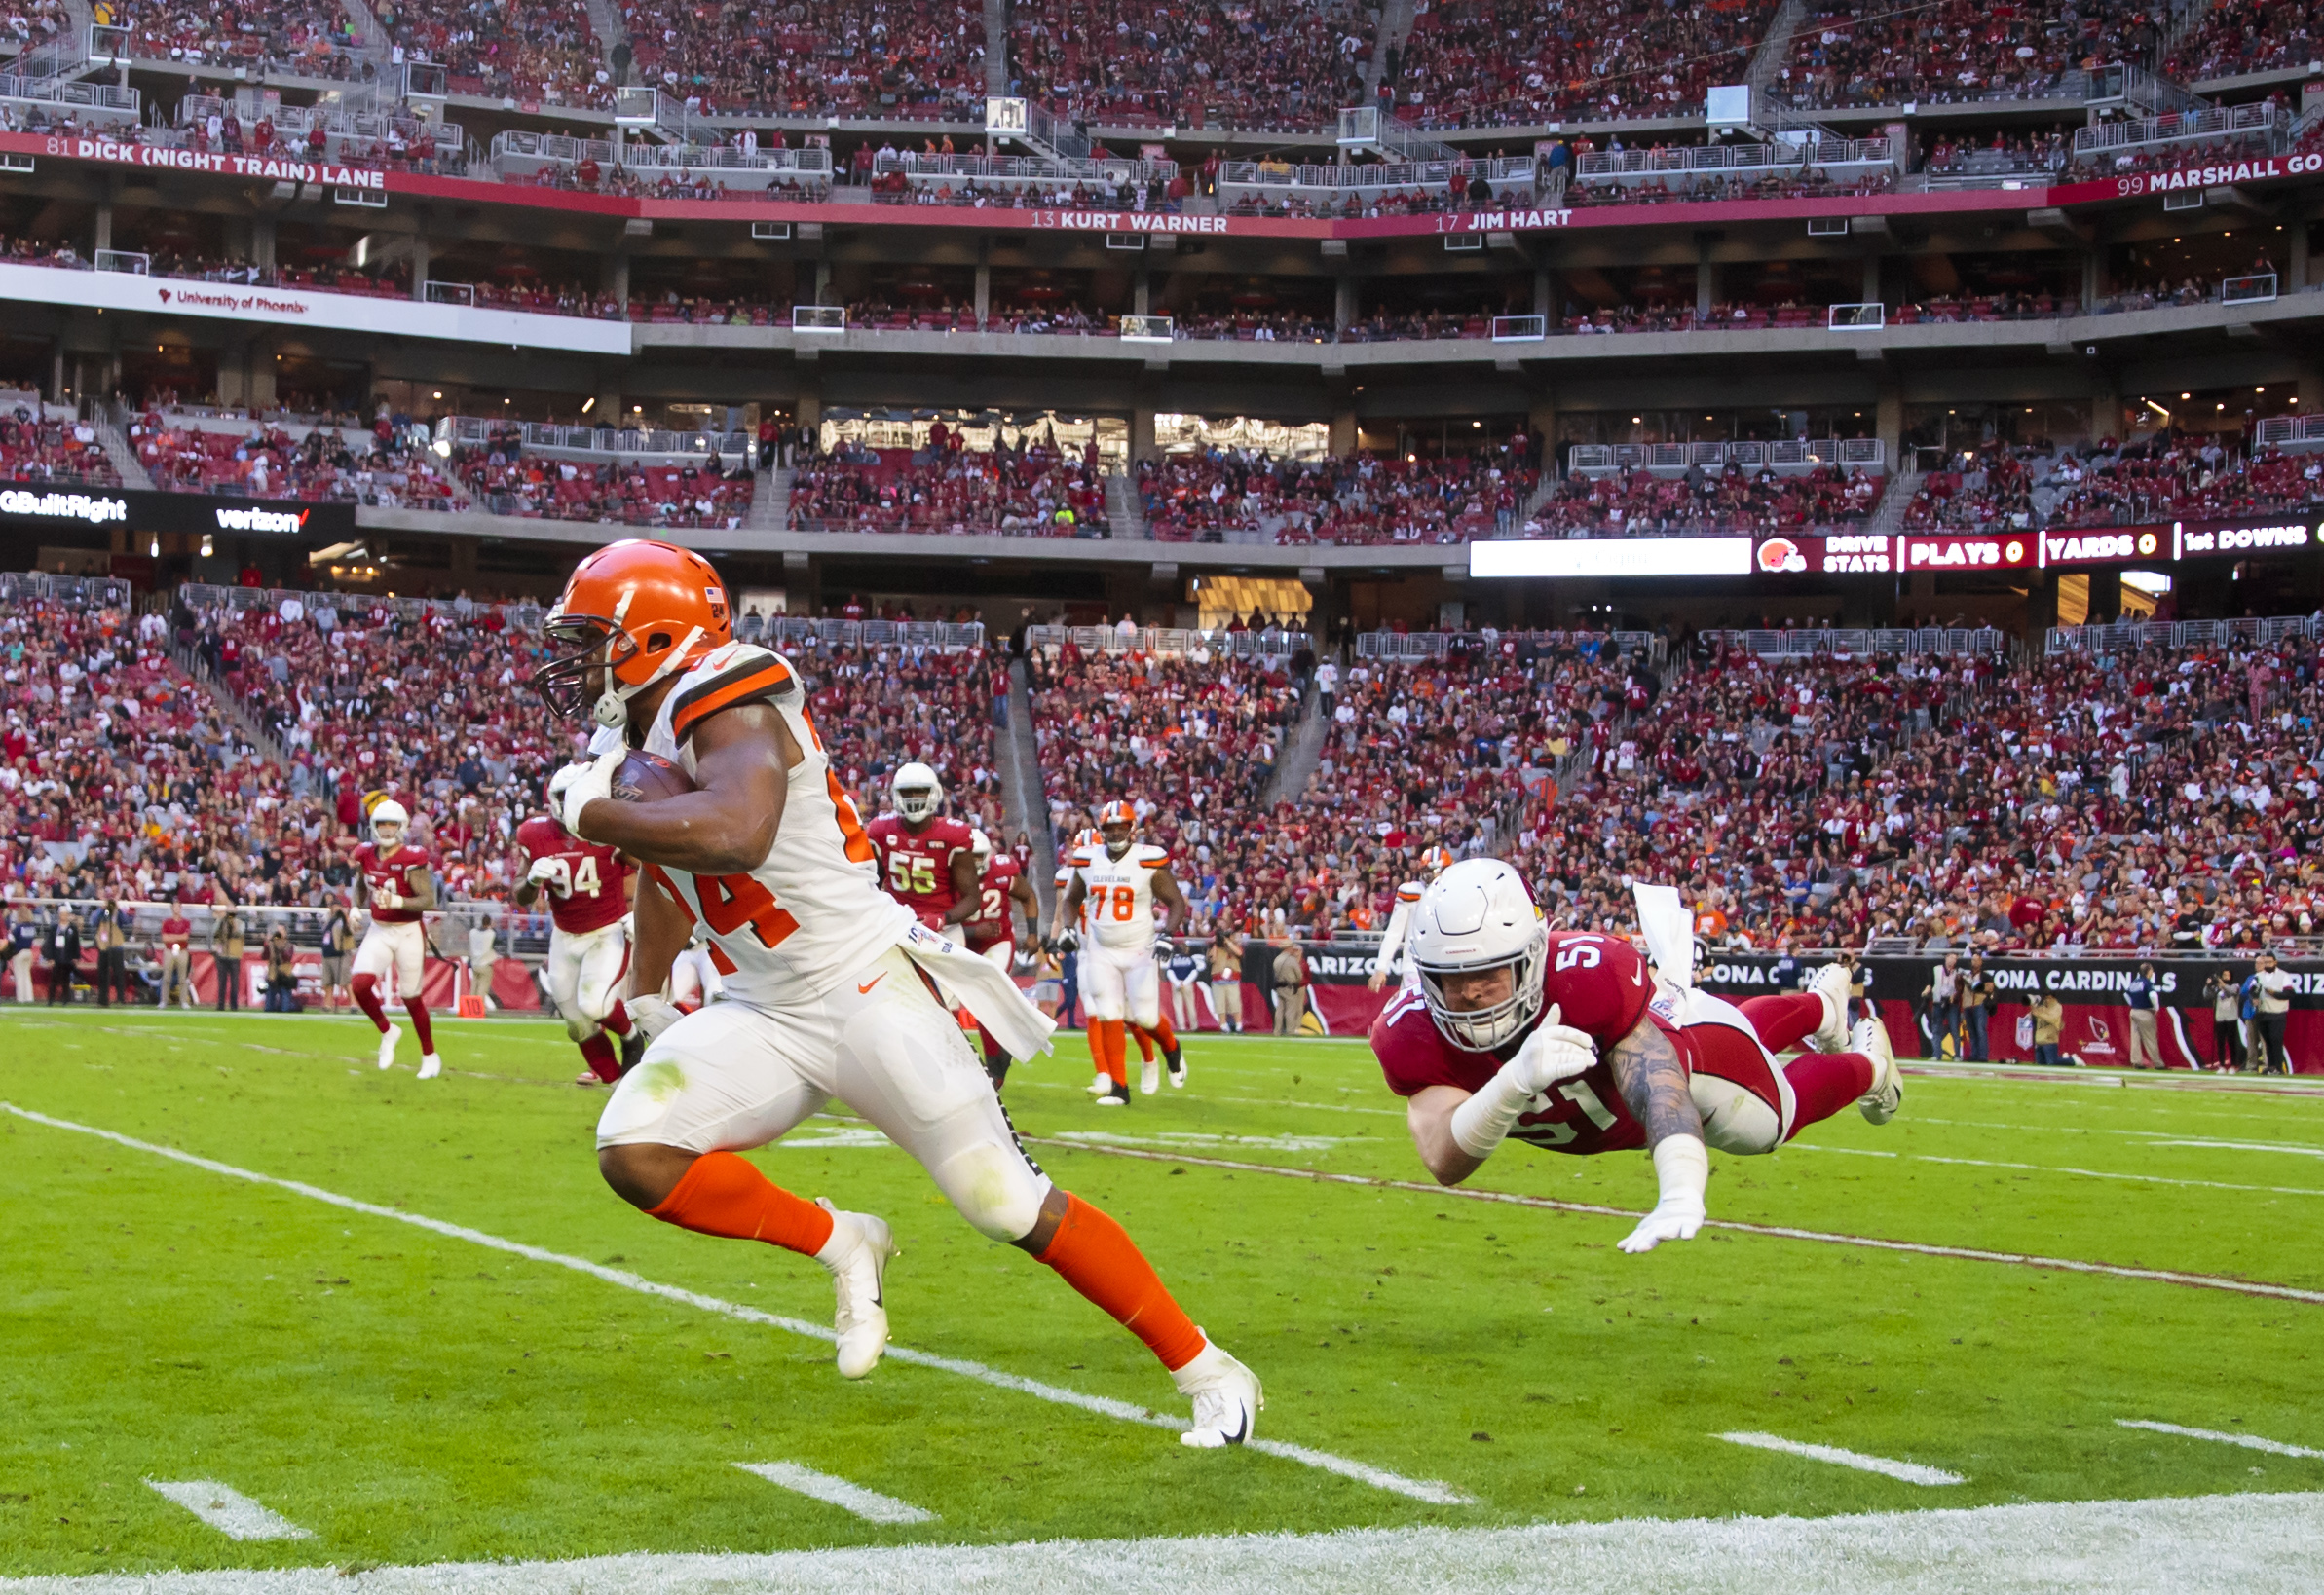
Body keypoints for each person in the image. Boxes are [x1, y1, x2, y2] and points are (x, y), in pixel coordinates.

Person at [533, 538, 1259, 1446]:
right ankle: (844, 1241)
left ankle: (1208, 1367)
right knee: (636, 1149)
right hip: (764, 1008)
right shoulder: (630, 734)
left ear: (654, 636)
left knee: (1006, 1205)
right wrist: (645, 998)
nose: (574, 656)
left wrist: (595, 812)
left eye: (593, 635)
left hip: (865, 987)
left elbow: (738, 833)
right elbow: (664, 866)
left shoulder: (731, 691)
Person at [1372, 861, 1899, 1252]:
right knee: (1745, 1032)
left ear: (1533, 956)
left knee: (1770, 1122)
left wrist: (1680, 1185)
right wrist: (1511, 1083)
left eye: (1488, 975)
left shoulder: (1586, 979)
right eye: (1451, 979)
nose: (1468, 996)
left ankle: (1871, 1066)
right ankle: (1821, 1007)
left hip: (1689, 1051)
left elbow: (1659, 1085)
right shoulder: (1411, 1031)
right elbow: (1443, 1159)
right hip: (1617, 1102)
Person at [1050, 800, 1189, 1101]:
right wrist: (1068, 929)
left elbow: (1176, 901)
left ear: (1132, 829)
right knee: (1108, 1013)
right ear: (1102, 831)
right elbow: (1071, 899)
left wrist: (1167, 934)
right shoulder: (1089, 860)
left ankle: (1171, 1048)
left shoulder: (1147, 860)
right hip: (1101, 948)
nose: (1115, 833)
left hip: (1140, 949)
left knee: (1146, 1018)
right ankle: (1119, 1088)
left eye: (1120, 827)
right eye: (1109, 828)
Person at [515, 807, 640, 1086]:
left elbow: (650, 870)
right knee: (576, 1023)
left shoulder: (608, 828)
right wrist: (533, 880)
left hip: (607, 931)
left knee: (595, 1005)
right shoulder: (534, 834)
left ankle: (633, 1039)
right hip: (564, 934)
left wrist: (640, 915)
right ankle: (613, 1080)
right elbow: (520, 891)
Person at [349, 797, 446, 1079]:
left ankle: (429, 1055)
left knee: (410, 997)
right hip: (379, 928)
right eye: (382, 824)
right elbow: (359, 885)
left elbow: (428, 899)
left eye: (392, 824)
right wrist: (355, 907)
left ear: (401, 826)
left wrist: (398, 902)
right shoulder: (366, 853)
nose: (387, 829)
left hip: (408, 931)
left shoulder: (411, 858)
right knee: (360, 983)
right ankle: (388, 1030)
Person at [961, 829, 1039, 1085]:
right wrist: (972, 929)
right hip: (960, 942)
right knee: (948, 1002)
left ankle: (995, 1067)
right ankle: (962, 1061)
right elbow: (937, 919)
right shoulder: (946, 875)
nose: (974, 863)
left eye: (978, 857)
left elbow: (1028, 896)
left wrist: (1032, 934)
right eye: (968, 857)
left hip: (997, 942)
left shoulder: (1002, 871)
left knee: (987, 996)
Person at [867, 762, 980, 938]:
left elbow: (972, 899)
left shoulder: (953, 835)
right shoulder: (880, 829)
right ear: (896, 794)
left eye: (920, 791)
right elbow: (872, 883)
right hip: (897, 923)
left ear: (934, 793)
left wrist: (942, 919)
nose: (914, 798)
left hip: (942, 928)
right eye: (907, 792)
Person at [1367, 844, 1453, 993]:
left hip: (1447, 966)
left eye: (1437, 871)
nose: (1433, 876)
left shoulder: (1455, 893)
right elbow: (1394, 931)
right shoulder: (1411, 892)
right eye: (1428, 871)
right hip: (1415, 965)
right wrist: (1381, 967)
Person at [2250, 951, 2294, 1076]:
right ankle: (2271, 1066)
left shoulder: (2283, 975)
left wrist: (2273, 993)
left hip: (2277, 1012)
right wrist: (2254, 996)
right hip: (2263, 1012)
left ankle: (2279, 1067)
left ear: (2275, 962)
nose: (2268, 964)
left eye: (2270, 962)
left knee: (2276, 1039)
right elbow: (2252, 989)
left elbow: (2289, 994)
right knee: (2267, 1041)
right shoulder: (2258, 975)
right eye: (2266, 962)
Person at [91, 898, 131, 1008]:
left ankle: (120, 999)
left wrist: (119, 910)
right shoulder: (105, 914)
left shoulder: (118, 916)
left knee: (119, 974)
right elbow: (93, 921)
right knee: (103, 974)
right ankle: (103, 1000)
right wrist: (101, 909)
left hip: (116, 948)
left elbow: (127, 921)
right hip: (104, 947)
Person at [2124, 961, 2162, 1070]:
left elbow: (2126, 994)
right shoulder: (2147, 983)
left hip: (2134, 1011)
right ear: (2148, 971)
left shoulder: (2134, 982)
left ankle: (2136, 1062)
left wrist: (2132, 1004)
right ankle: (2158, 1064)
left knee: (2135, 1038)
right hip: (2145, 1012)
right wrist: (2156, 1007)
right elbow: (2153, 995)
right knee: (2150, 1038)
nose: (2152, 972)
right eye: (2151, 970)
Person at [1922, 952, 1960, 1058]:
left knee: (1954, 1029)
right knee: (1936, 1028)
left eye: (1955, 958)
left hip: (1952, 1003)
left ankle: (1957, 1055)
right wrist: (1926, 991)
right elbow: (1930, 983)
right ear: (1946, 958)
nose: (1953, 960)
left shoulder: (1957, 972)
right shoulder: (1937, 969)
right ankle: (1936, 1054)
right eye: (1951, 957)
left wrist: (1955, 996)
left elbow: (1960, 988)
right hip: (1938, 1001)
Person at [2205, 968, 2244, 1073]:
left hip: (2231, 1017)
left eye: (2228, 975)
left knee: (2232, 1042)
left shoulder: (2235, 986)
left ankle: (2233, 1065)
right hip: (2220, 1017)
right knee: (2220, 1042)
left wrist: (2221, 983)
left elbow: (2231, 991)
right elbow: (2206, 995)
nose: (2226, 977)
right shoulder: (2217, 988)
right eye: (2223, 975)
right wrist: (2208, 986)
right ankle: (2221, 1065)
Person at [157, 905, 195, 1009]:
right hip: (169, 950)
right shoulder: (167, 922)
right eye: (175, 907)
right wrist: (178, 937)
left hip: (182, 951)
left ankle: (183, 1001)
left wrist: (172, 937)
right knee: (166, 977)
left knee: (183, 977)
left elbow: (185, 937)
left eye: (179, 907)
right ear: (172, 909)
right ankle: (163, 1000)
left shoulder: (186, 922)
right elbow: (165, 938)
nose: (177, 909)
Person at [43, 909, 82, 1005]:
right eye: (62, 915)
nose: (63, 917)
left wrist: (76, 957)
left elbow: (76, 944)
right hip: (57, 957)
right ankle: (50, 1000)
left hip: (68, 957)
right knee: (54, 980)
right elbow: (50, 943)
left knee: (66, 980)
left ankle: (65, 999)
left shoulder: (72, 928)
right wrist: (50, 957)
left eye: (65, 915)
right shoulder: (54, 928)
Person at [320, 904, 355, 1012]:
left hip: (340, 955)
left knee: (345, 981)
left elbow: (349, 932)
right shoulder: (329, 921)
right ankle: (328, 1005)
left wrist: (345, 917)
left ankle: (353, 1004)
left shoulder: (342, 921)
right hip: (327, 954)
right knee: (328, 982)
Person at [1271, 938, 1309, 1036]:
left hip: (1279, 986)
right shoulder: (1291, 960)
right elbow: (1299, 975)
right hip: (1290, 987)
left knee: (1279, 1010)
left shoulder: (1277, 959)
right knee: (1290, 1009)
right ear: (1288, 948)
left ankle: (1277, 1031)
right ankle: (1290, 1030)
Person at [211, 905, 246, 1011]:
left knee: (234, 983)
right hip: (222, 955)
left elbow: (238, 933)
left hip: (234, 955)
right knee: (222, 982)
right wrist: (221, 920)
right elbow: (215, 933)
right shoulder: (221, 922)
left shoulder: (240, 923)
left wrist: (233, 924)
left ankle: (233, 1005)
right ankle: (221, 1004)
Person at [1208, 932, 1244, 1034]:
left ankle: (1239, 1026)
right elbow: (1212, 959)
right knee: (1220, 1005)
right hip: (1218, 980)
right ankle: (1223, 1026)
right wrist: (1215, 944)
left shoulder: (1235, 946)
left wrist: (1228, 942)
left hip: (1232, 980)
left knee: (1235, 1003)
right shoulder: (1214, 948)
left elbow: (1239, 953)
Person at [1165, 939, 1203, 1033]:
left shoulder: (1173, 960)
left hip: (1176, 983)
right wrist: (1185, 983)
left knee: (1178, 1006)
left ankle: (1181, 1027)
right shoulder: (1190, 960)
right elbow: (1194, 972)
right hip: (1187, 984)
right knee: (1190, 1005)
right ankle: (1194, 1026)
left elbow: (1170, 972)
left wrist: (1177, 983)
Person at [1959, 957, 1993, 1061]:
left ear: (1981, 962)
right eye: (1974, 960)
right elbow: (1959, 988)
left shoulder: (1986, 975)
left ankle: (1983, 1055)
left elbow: (1990, 988)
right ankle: (1974, 1054)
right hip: (1968, 1004)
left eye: (1978, 960)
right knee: (1971, 1031)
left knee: (1980, 1029)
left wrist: (1976, 985)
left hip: (1980, 1004)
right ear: (1971, 962)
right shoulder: (1966, 975)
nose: (1976, 962)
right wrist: (1960, 979)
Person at [465, 915, 499, 1013]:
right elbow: (497, 942)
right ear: (490, 923)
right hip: (485, 964)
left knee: (474, 987)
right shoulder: (491, 933)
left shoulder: (473, 932)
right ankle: (479, 1008)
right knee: (482, 988)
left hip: (475, 962)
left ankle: (470, 1008)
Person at [263, 924, 299, 1012]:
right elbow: (264, 956)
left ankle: (285, 1009)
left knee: (285, 994)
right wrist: (267, 945)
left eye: (281, 930)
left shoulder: (289, 945)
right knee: (270, 994)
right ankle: (269, 1010)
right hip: (273, 973)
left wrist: (279, 946)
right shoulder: (270, 945)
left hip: (284, 973)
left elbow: (287, 957)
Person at [7, 901, 37, 1003]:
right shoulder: (32, 927)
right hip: (29, 952)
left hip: (19, 952)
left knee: (19, 976)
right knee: (27, 976)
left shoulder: (19, 927)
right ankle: (29, 997)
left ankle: (21, 998)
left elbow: (11, 938)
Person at [2030, 990, 2066, 1067]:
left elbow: (2053, 1019)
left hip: (2050, 1040)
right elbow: (2032, 1019)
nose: (2047, 1000)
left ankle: (2072, 1060)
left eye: (2049, 998)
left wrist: (2040, 1014)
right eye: (2046, 998)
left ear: (2054, 998)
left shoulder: (2057, 1007)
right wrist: (2033, 1008)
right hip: (2039, 1040)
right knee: (2040, 1064)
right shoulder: (2042, 1007)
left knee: (2052, 1062)